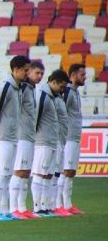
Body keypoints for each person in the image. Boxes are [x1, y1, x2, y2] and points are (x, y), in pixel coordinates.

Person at [0, 55, 30, 221]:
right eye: (25, 70)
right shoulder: (6, 87)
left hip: (13, 137)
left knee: (7, 175)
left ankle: (5, 210)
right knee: (1, 174)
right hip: (3, 137)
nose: (27, 73)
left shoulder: (19, 88)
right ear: (16, 70)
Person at [9, 60, 44, 220]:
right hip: (21, 135)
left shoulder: (31, 88)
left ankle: (22, 208)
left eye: (41, 73)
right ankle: (13, 208)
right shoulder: (21, 88)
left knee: (26, 173)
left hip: (29, 135)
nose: (39, 76)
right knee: (19, 171)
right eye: (36, 72)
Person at [32, 70, 70, 216]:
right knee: (40, 173)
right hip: (43, 141)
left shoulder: (53, 96)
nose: (62, 90)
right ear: (53, 82)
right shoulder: (42, 94)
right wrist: (35, 138)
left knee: (48, 174)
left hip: (53, 140)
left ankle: (46, 206)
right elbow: (36, 117)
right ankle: (37, 207)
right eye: (61, 86)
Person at [57, 64, 86, 215]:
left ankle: (67, 204)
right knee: (65, 170)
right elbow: (61, 112)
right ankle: (59, 204)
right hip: (67, 138)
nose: (85, 77)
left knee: (71, 172)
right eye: (82, 74)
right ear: (73, 75)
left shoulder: (75, 92)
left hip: (75, 137)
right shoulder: (67, 91)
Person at [52, 72, 71, 216]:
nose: (63, 89)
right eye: (61, 86)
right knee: (48, 174)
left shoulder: (58, 97)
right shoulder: (46, 95)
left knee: (56, 174)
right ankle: (47, 206)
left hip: (60, 139)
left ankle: (54, 206)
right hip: (51, 140)